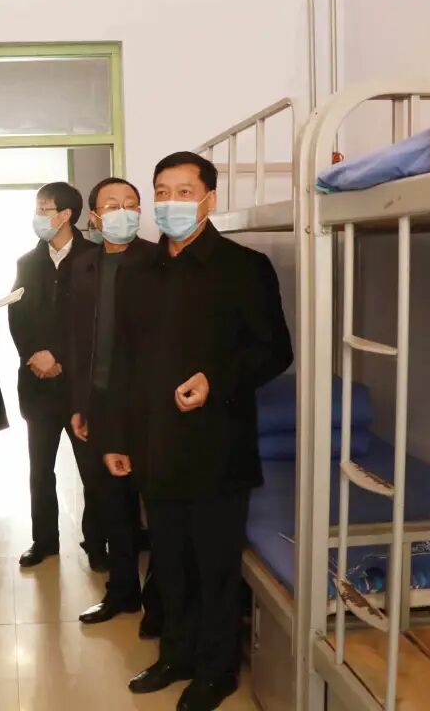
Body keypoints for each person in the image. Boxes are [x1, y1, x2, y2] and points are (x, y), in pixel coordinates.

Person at [104, 152, 293, 711]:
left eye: (184, 192)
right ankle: (176, 656)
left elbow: (274, 350)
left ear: (209, 199)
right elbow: (123, 363)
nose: (171, 203)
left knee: (214, 566)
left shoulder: (244, 266)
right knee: (170, 562)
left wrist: (216, 379)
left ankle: (216, 670)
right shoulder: (137, 272)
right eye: (162, 192)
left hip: (218, 446)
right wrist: (118, 438)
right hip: (154, 445)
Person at [67, 177, 162, 633]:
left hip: (148, 404)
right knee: (113, 505)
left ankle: (159, 605)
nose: (123, 211)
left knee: (157, 507)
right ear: (95, 217)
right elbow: (75, 341)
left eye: (131, 204)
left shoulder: (158, 261)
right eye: (112, 205)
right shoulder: (83, 265)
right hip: (101, 403)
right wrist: (79, 404)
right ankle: (121, 592)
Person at [10, 182, 105, 569]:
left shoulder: (95, 258)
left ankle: (96, 543)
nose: (37, 216)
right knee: (40, 470)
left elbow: (94, 321)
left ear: (66, 214)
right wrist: (33, 355)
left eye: (43, 209)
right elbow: (17, 316)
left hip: (81, 386)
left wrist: (60, 356)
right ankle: (44, 540)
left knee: (92, 471)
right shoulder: (27, 262)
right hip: (38, 385)